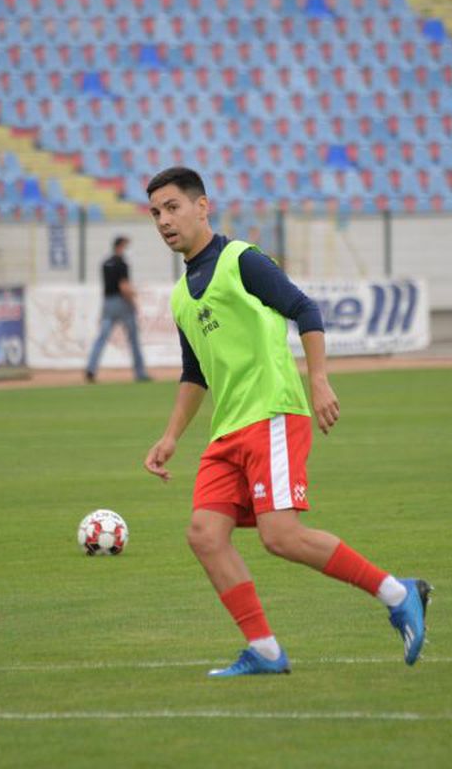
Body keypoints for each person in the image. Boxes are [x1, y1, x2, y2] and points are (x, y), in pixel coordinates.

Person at [141, 167, 430, 677]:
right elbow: (194, 373)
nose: (164, 220)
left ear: (202, 206)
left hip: (272, 414)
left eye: (172, 207)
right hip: (228, 430)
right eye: (155, 213)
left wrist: (318, 381)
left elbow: (304, 309)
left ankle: (397, 592)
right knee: (205, 534)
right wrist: (169, 437)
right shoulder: (182, 296)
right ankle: (267, 652)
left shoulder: (241, 260)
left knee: (281, 535)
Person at [85, 236, 150, 383]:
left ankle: (91, 368)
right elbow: (124, 286)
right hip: (122, 303)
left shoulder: (105, 263)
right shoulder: (122, 263)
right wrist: (134, 301)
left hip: (108, 303)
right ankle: (140, 372)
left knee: (102, 337)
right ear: (120, 246)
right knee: (133, 339)